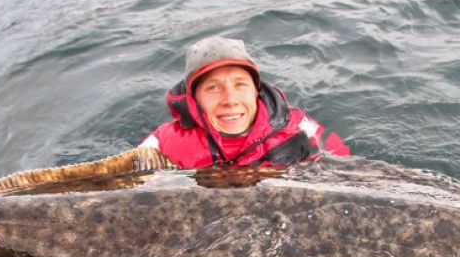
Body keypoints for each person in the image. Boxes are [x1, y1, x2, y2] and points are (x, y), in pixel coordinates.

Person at [138, 36, 350, 167]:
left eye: (240, 85)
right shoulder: (162, 145)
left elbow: (342, 169)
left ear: (256, 91)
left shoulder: (300, 128)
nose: (230, 100)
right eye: (213, 87)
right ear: (195, 98)